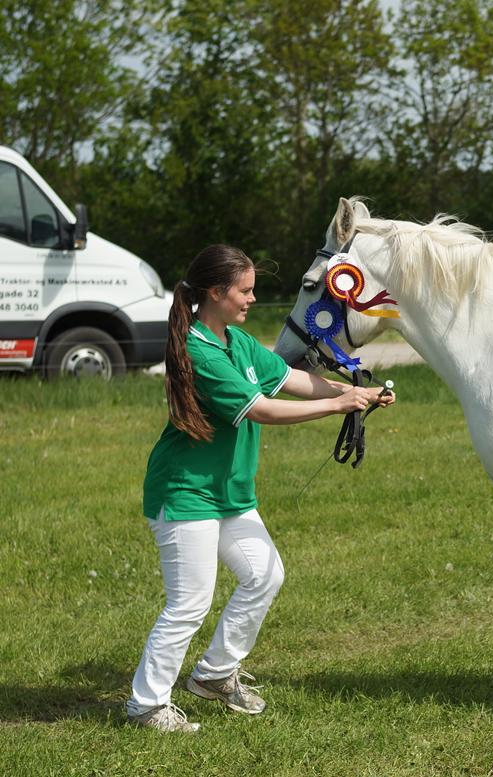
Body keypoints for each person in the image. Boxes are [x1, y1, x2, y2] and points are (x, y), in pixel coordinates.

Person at [126, 244, 393, 733]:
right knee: (189, 603)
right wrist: (337, 407)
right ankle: (146, 705)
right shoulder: (198, 350)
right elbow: (262, 410)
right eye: (245, 290)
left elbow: (293, 379)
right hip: (185, 495)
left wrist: (356, 393)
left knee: (264, 575)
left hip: (229, 495)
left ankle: (214, 675)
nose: (252, 298)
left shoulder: (239, 341)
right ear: (216, 293)